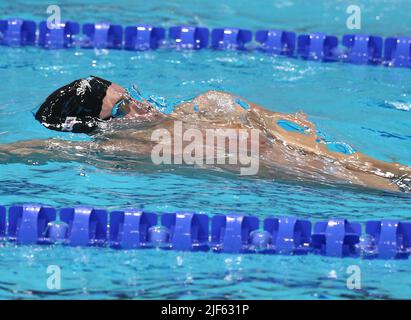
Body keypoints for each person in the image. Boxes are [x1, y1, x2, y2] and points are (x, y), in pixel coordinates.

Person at [1, 76, 410, 193]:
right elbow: (39, 148)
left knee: (397, 171)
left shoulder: (175, 115)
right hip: (283, 167)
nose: (142, 105)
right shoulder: (120, 145)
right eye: (123, 106)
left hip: (296, 153)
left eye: (132, 95)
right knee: (395, 186)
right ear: (99, 125)